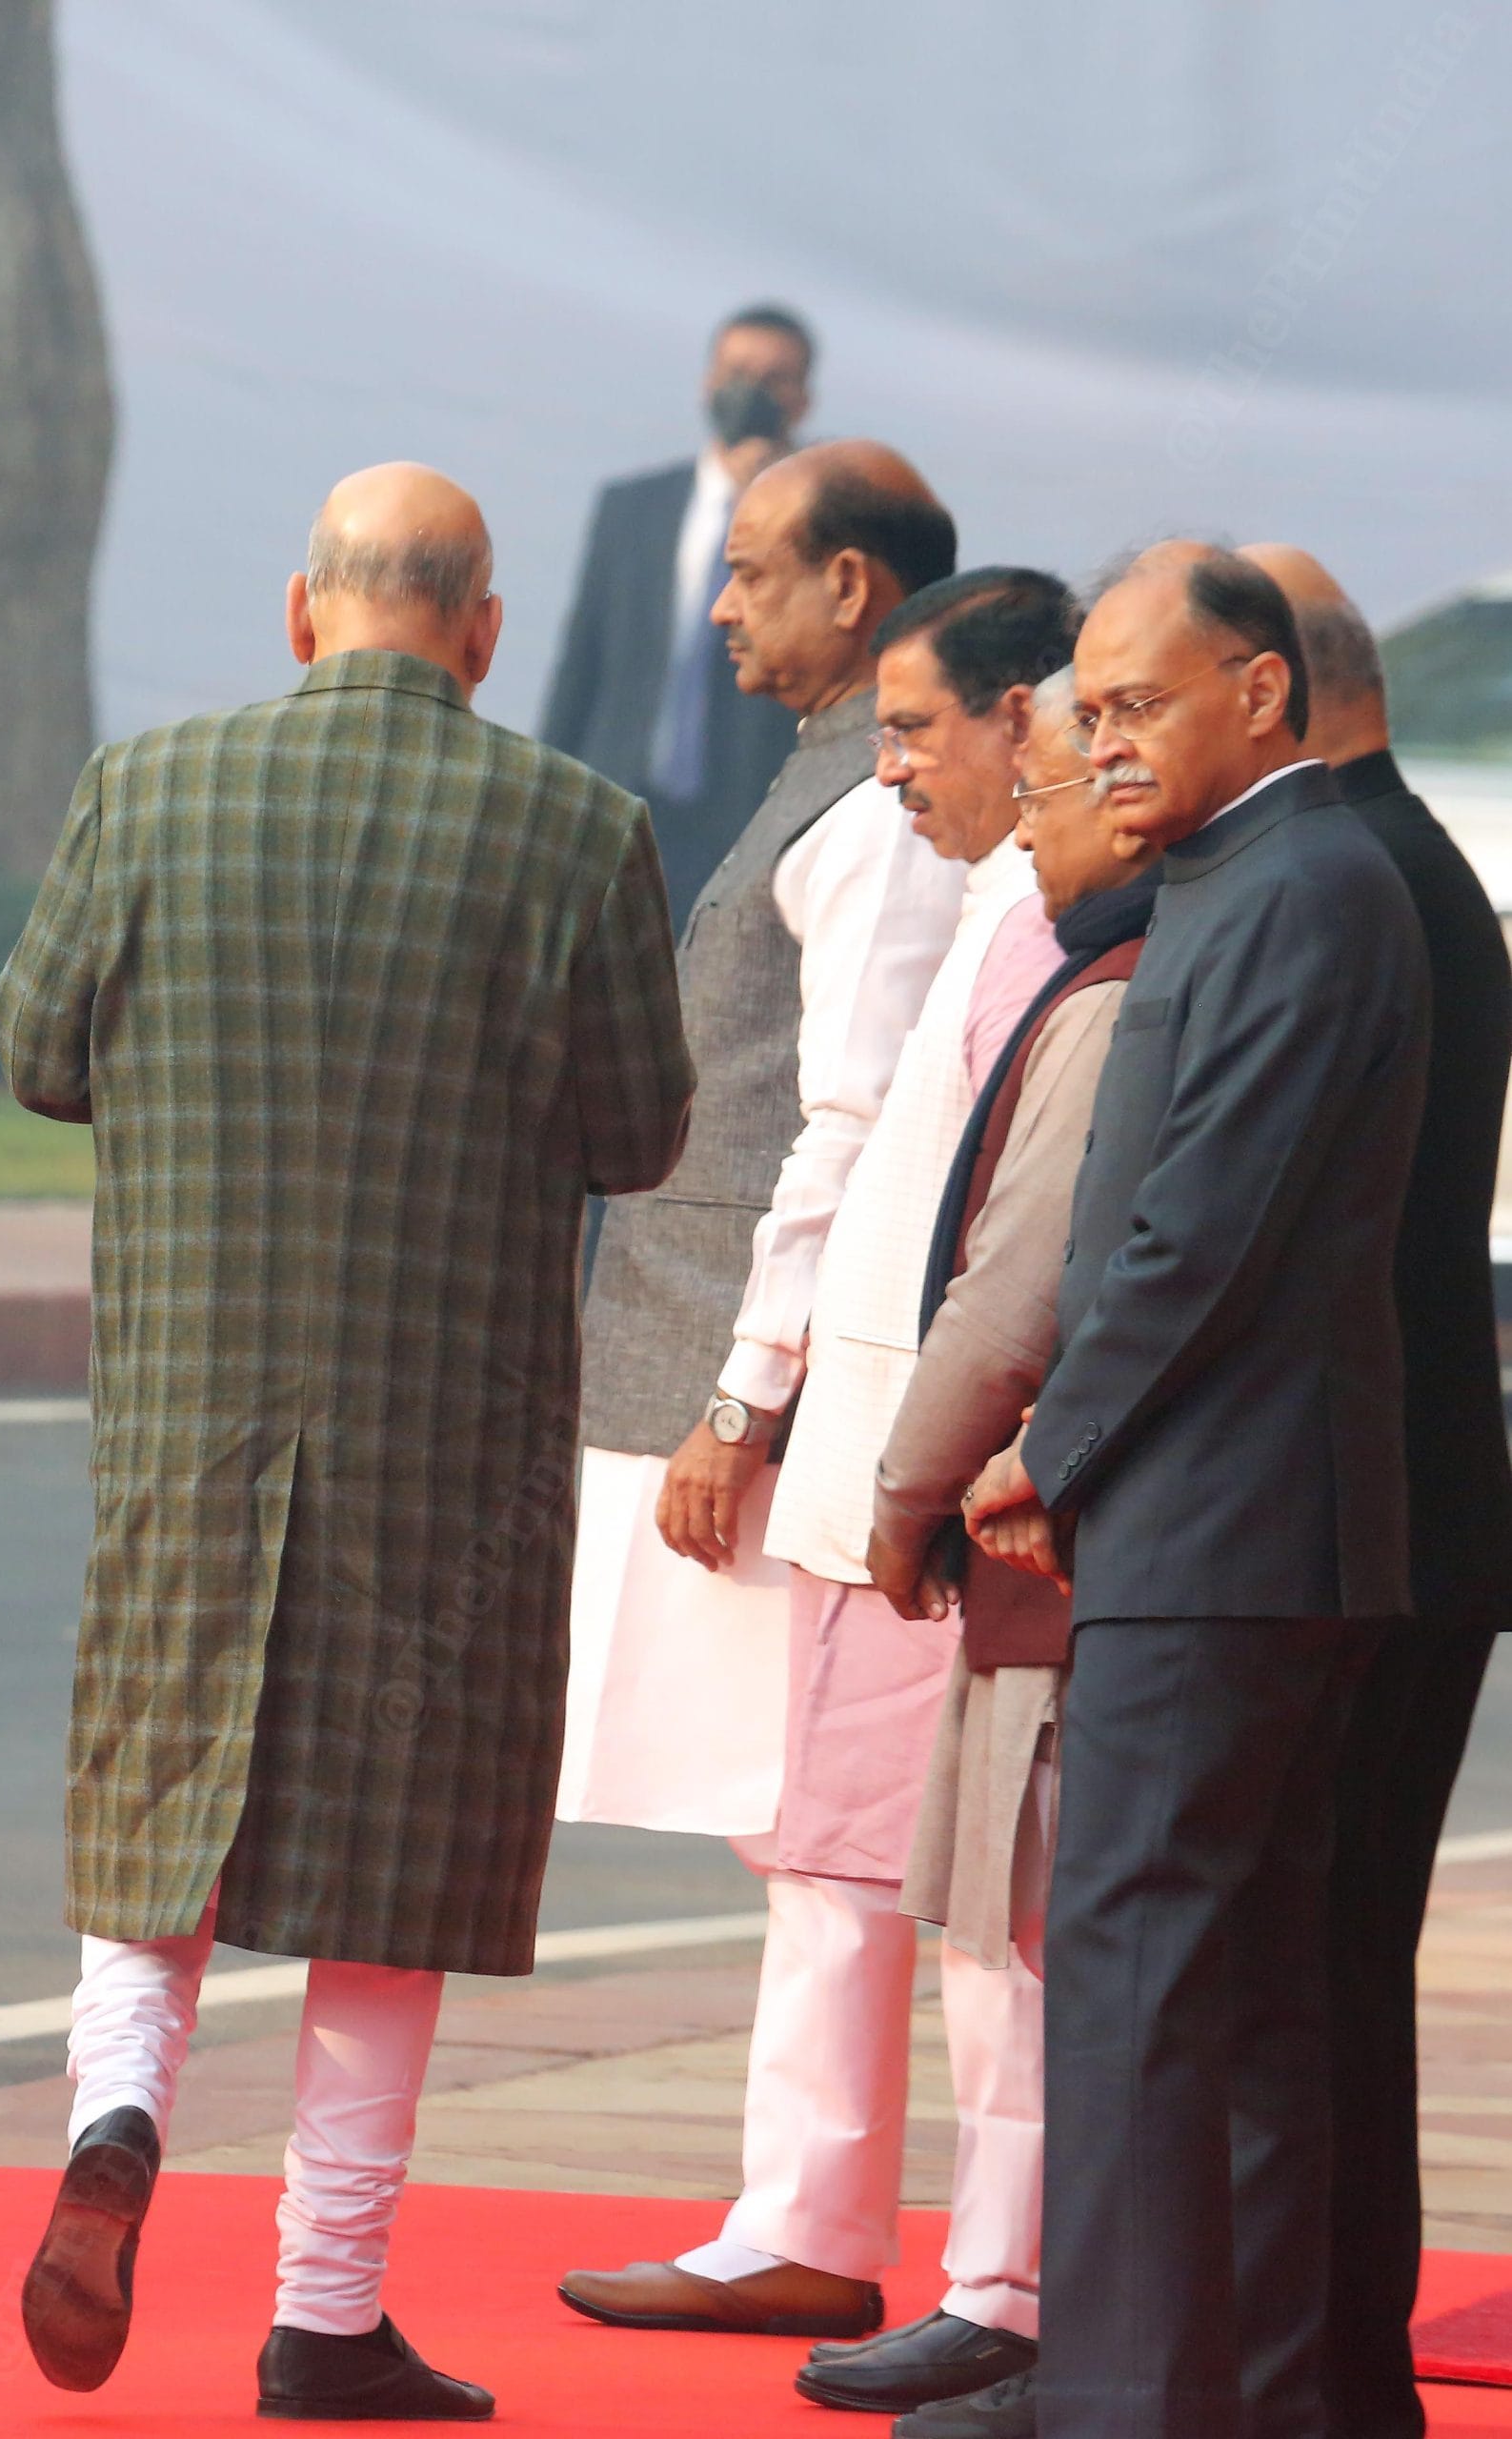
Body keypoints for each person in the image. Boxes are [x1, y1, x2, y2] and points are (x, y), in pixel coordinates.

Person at [0, 463, 695, 2423]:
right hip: (442, 1433)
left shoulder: (147, 788)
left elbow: (42, 1046)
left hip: (190, 1414)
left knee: (157, 1801)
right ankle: (323, 2311)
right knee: (393, 1876)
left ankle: (120, 2114)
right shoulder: (577, 825)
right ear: (476, 632)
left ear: (304, 613)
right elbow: (639, 1132)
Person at [965, 544, 1430, 2439]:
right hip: (1244, 1522)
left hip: (1222, 1528)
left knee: (1147, 1982)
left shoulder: (1298, 889)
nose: (1102, 739)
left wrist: (1043, 1444)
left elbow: (1192, 1233)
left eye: (1136, 702)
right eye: (1087, 710)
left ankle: (1133, 2397)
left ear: (1258, 692)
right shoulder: (1270, 879)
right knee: (1223, 1994)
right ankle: (1235, 2394)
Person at [556, 443, 962, 2338]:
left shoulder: (876, 806)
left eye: (750, 573)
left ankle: (822, 2218)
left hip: (759, 1395)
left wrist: (748, 1398)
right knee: (808, 1826)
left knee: (828, 1823)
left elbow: (853, 1124)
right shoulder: (819, 774)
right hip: (711, 1365)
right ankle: (817, 2204)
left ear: (854, 589)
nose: (718, 604)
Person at [791, 675, 1159, 2429]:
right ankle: (1028, 2280)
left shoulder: (1103, 979)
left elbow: (1018, 1275)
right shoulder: (1090, 941)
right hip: (1072, 1505)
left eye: (1052, 779)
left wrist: (909, 1483)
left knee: (1021, 1925)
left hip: (1051, 1517)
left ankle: (1014, 2287)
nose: (1023, 815)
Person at [1241, 543, 1512, 2439]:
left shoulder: (1341, 882)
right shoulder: (1404, 866)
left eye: (1135, 695)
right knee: (1328, 1964)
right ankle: (1326, 2370)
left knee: (1302, 1973)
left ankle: (1309, 2373)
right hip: (1406, 1497)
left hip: (1359, 1512)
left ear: (1261, 687)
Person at [539, 303, 815, 928]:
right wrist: (546, 793)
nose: (751, 391)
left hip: (748, 806)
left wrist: (778, 497)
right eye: (737, 371)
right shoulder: (633, 508)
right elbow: (582, 660)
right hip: (620, 796)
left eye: (774, 378)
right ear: (706, 381)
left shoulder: (821, 515)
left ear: (801, 398)